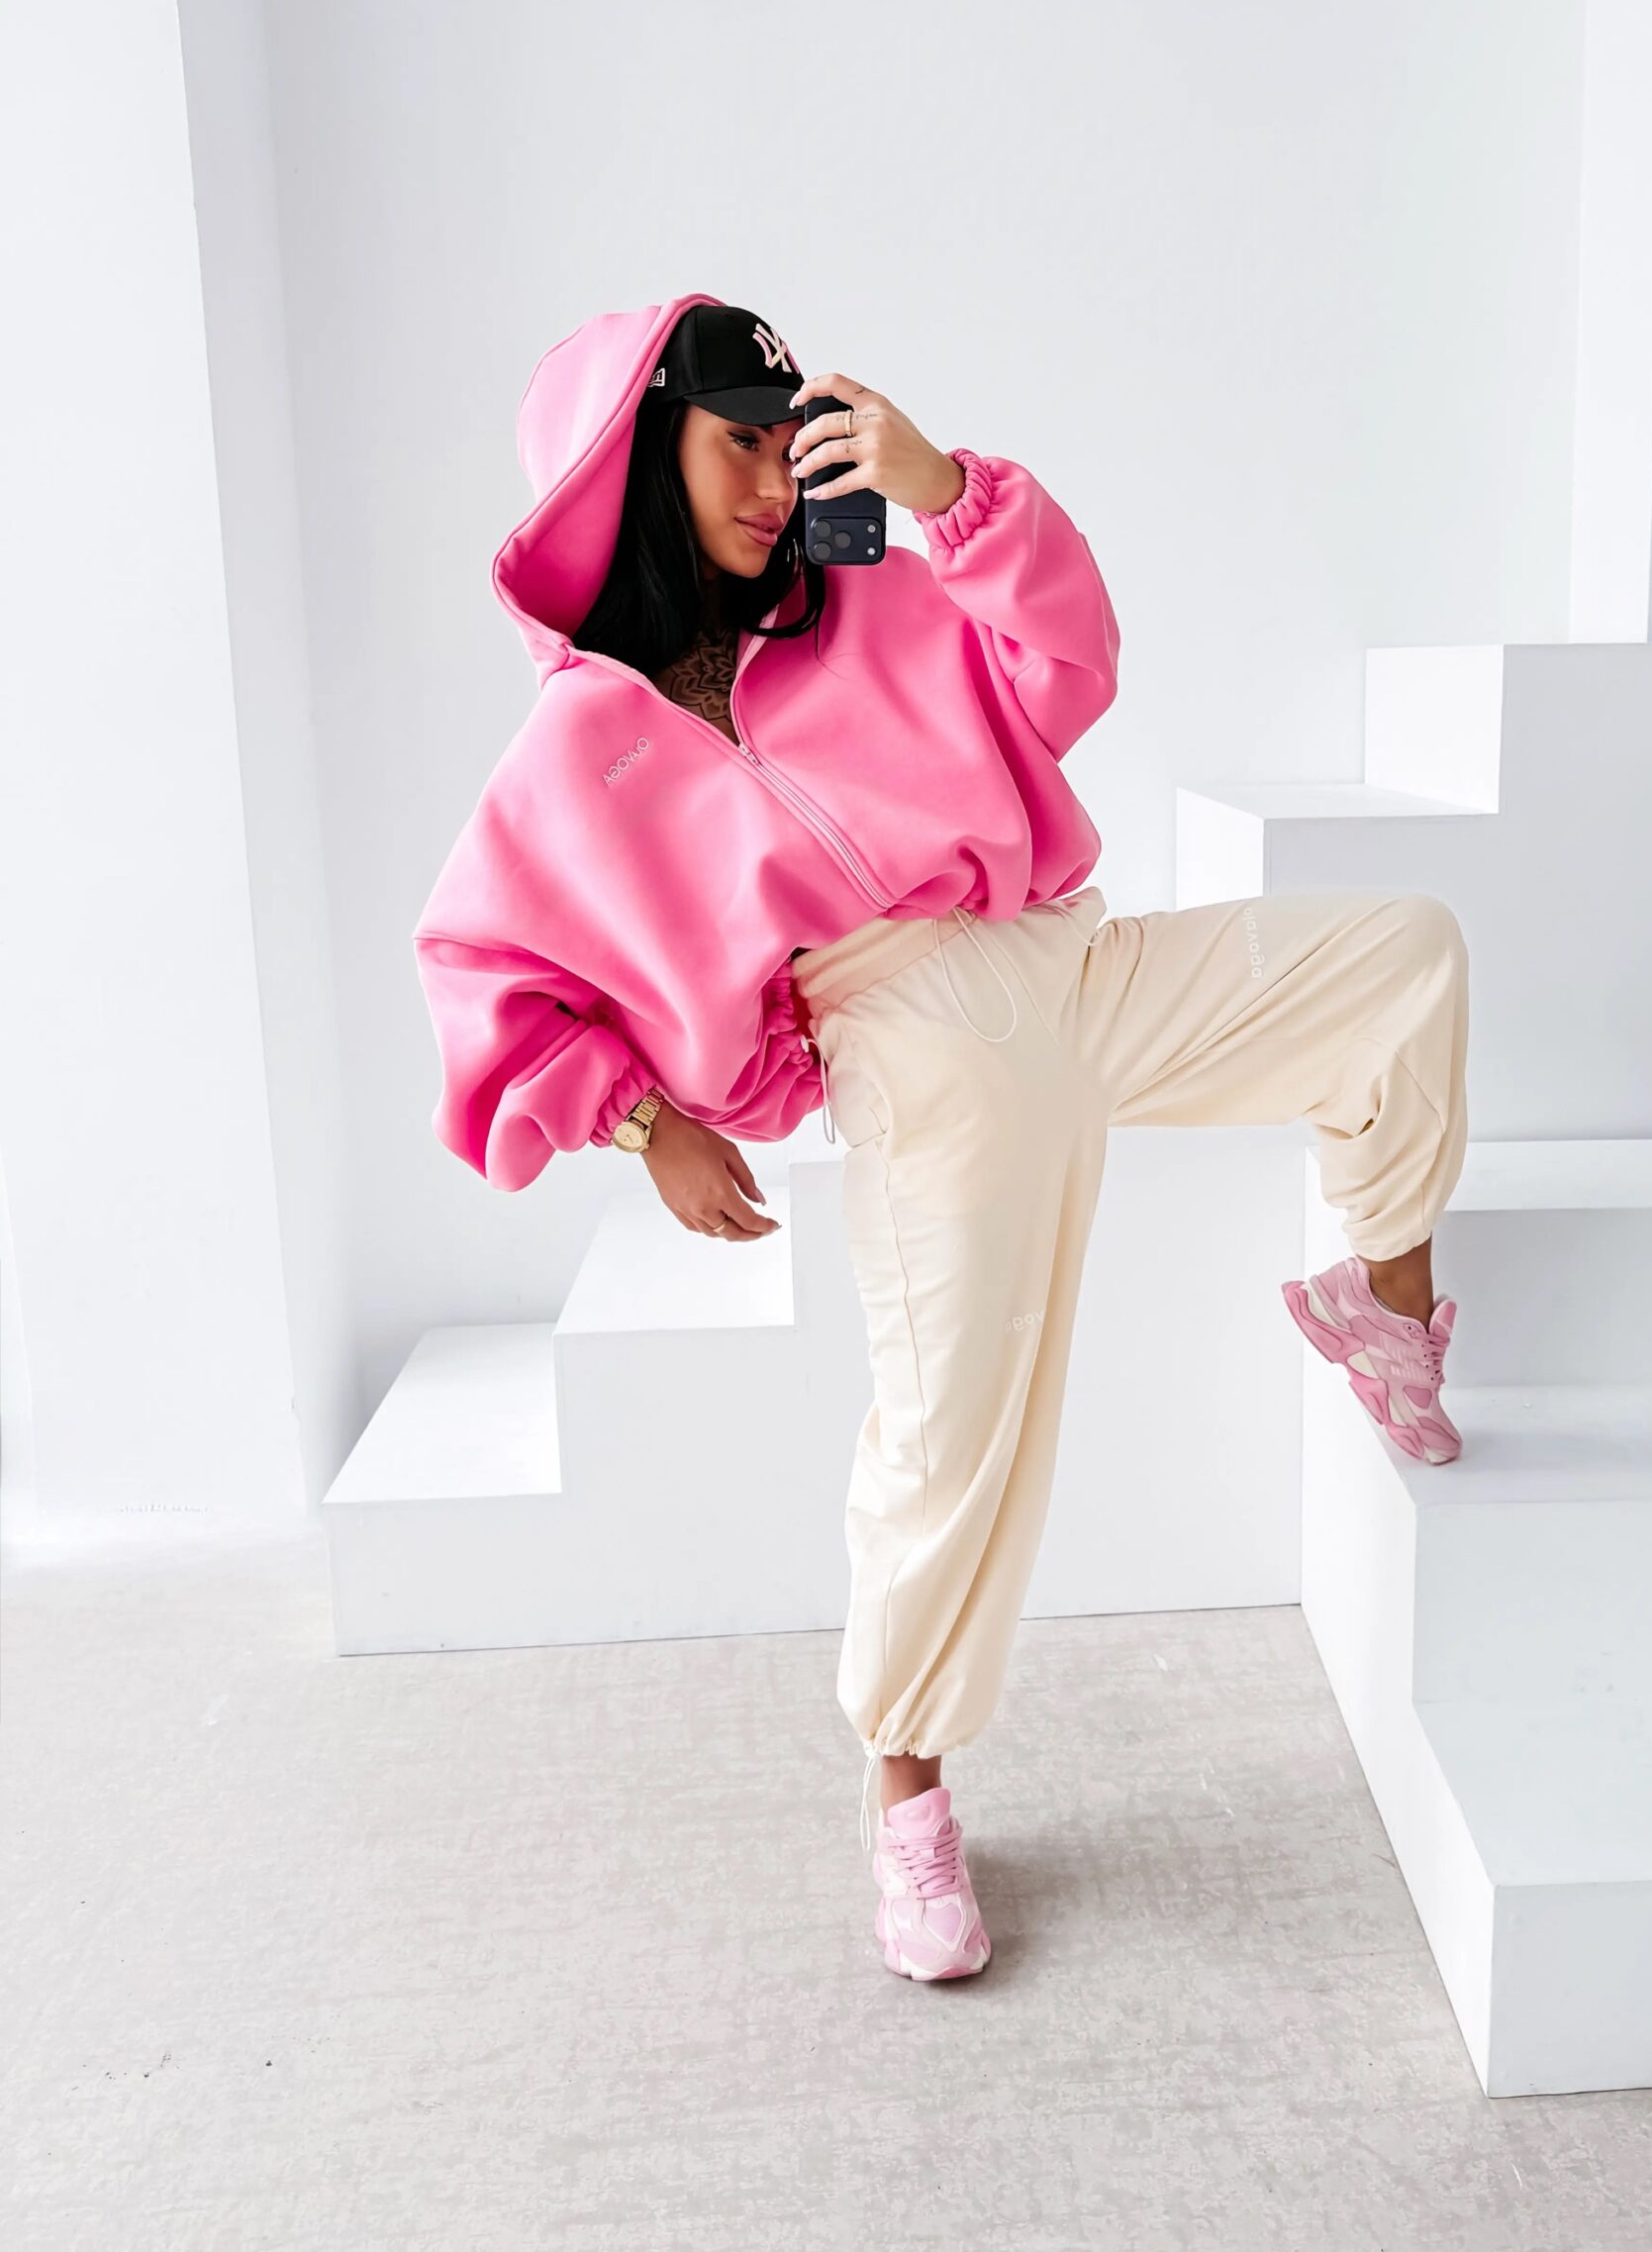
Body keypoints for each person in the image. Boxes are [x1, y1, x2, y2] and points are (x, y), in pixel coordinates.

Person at [415, 292, 1471, 1984]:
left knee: (1401, 957)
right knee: (955, 1429)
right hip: (916, 1048)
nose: (773, 481)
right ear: (633, 457)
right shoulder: (584, 741)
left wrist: (946, 491)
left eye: (787, 442)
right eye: (735, 443)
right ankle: (904, 1791)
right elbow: (485, 972)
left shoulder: (876, 602)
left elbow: (1072, 667)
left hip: (1076, 965)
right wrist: (647, 1123)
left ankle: (1386, 1307)